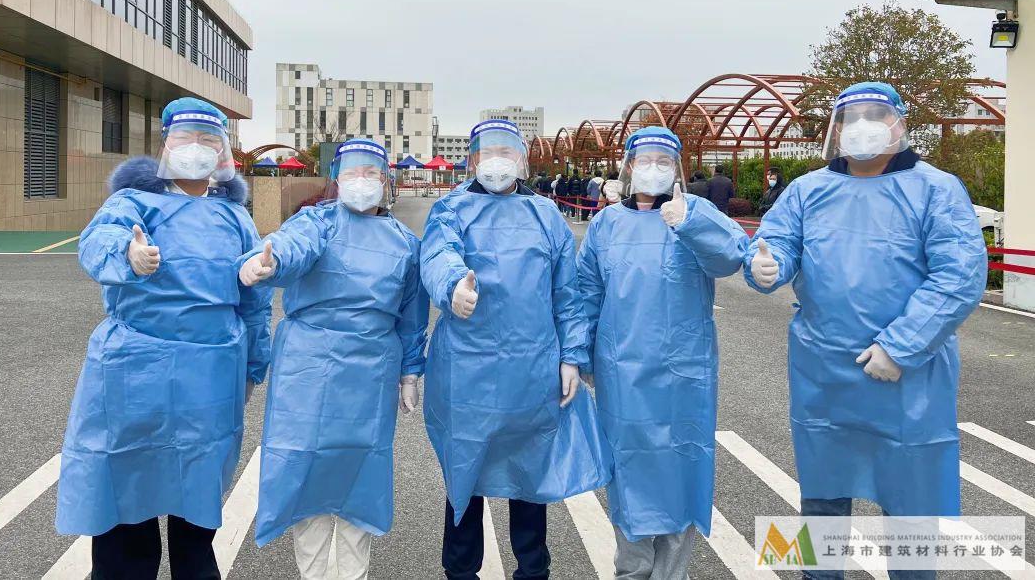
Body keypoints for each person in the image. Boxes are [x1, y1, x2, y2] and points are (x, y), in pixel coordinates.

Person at [745, 82, 987, 580]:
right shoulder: (808, 190)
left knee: (910, 504)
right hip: (824, 369)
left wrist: (901, 346)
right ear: (836, 131)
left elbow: (959, 274)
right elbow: (778, 241)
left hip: (908, 376)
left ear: (899, 123)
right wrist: (766, 265)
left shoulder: (936, 189)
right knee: (822, 496)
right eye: (850, 119)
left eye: (874, 116)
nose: (861, 127)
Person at [56, 97, 272, 578]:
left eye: (207, 140)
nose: (195, 149)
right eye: (185, 139)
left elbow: (255, 301)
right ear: (165, 146)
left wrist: (255, 364)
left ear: (222, 153)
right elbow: (97, 240)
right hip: (135, 369)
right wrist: (125, 253)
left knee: (197, 497)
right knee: (126, 495)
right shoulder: (133, 203)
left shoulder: (235, 217)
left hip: (210, 375)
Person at [421, 119, 610, 580]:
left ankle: (532, 570)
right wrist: (452, 286)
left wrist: (572, 356)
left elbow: (567, 293)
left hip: (531, 368)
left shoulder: (545, 215)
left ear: (522, 161)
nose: (497, 161)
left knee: (529, 475)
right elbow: (439, 253)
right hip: (468, 369)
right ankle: (460, 571)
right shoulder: (451, 209)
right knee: (465, 476)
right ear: (472, 160)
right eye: (488, 152)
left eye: (506, 151)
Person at [239, 138, 428, 580]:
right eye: (352, 172)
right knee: (304, 469)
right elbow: (292, 245)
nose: (361, 181)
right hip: (308, 367)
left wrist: (410, 372)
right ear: (337, 179)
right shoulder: (317, 223)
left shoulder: (405, 244)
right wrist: (269, 261)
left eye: (370, 173)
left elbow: (412, 316)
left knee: (359, 473)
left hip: (371, 370)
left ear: (386, 181)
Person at [577, 128, 747, 580]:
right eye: (645, 160)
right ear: (629, 167)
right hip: (622, 374)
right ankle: (632, 571)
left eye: (664, 160)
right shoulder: (607, 225)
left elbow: (731, 257)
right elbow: (586, 293)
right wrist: (578, 355)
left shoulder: (697, 214)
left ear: (677, 169)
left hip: (684, 374)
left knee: (681, 472)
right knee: (627, 471)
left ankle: (673, 573)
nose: (653, 168)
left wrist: (689, 223)